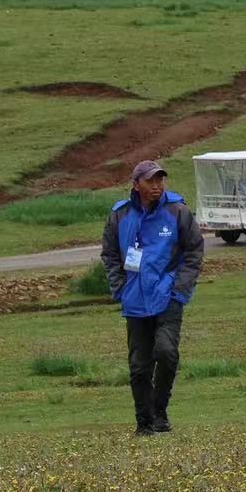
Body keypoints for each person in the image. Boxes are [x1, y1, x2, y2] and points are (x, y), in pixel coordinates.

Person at [100, 160, 204, 435]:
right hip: (134, 300)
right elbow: (109, 254)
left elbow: (194, 251)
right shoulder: (120, 215)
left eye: (160, 180)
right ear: (136, 185)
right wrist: (119, 288)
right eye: (150, 181)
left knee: (166, 353)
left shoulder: (177, 211)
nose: (157, 185)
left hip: (168, 297)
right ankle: (144, 423)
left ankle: (159, 410)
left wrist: (179, 290)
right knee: (139, 367)